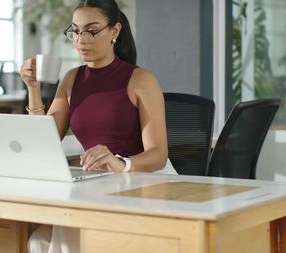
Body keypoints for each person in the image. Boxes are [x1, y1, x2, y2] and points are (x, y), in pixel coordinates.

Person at [20, 0, 176, 252]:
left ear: (115, 31)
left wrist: (120, 163)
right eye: (76, 31)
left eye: (92, 30)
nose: (82, 39)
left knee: (66, 240)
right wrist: (33, 89)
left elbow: (158, 154)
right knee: (38, 240)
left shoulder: (141, 80)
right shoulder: (72, 78)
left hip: (144, 182)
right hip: (99, 184)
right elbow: (42, 142)